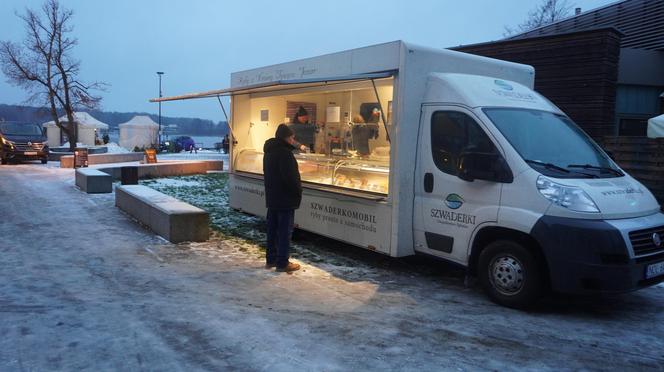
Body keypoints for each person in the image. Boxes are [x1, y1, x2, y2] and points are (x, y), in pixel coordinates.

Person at [262, 124, 302, 272]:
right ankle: (282, 262)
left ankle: (271, 259)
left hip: (272, 196)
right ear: (286, 137)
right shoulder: (285, 153)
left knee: (272, 229)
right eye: (292, 137)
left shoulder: (269, 151)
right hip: (285, 198)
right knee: (285, 231)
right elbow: (290, 178)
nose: (293, 140)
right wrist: (298, 191)